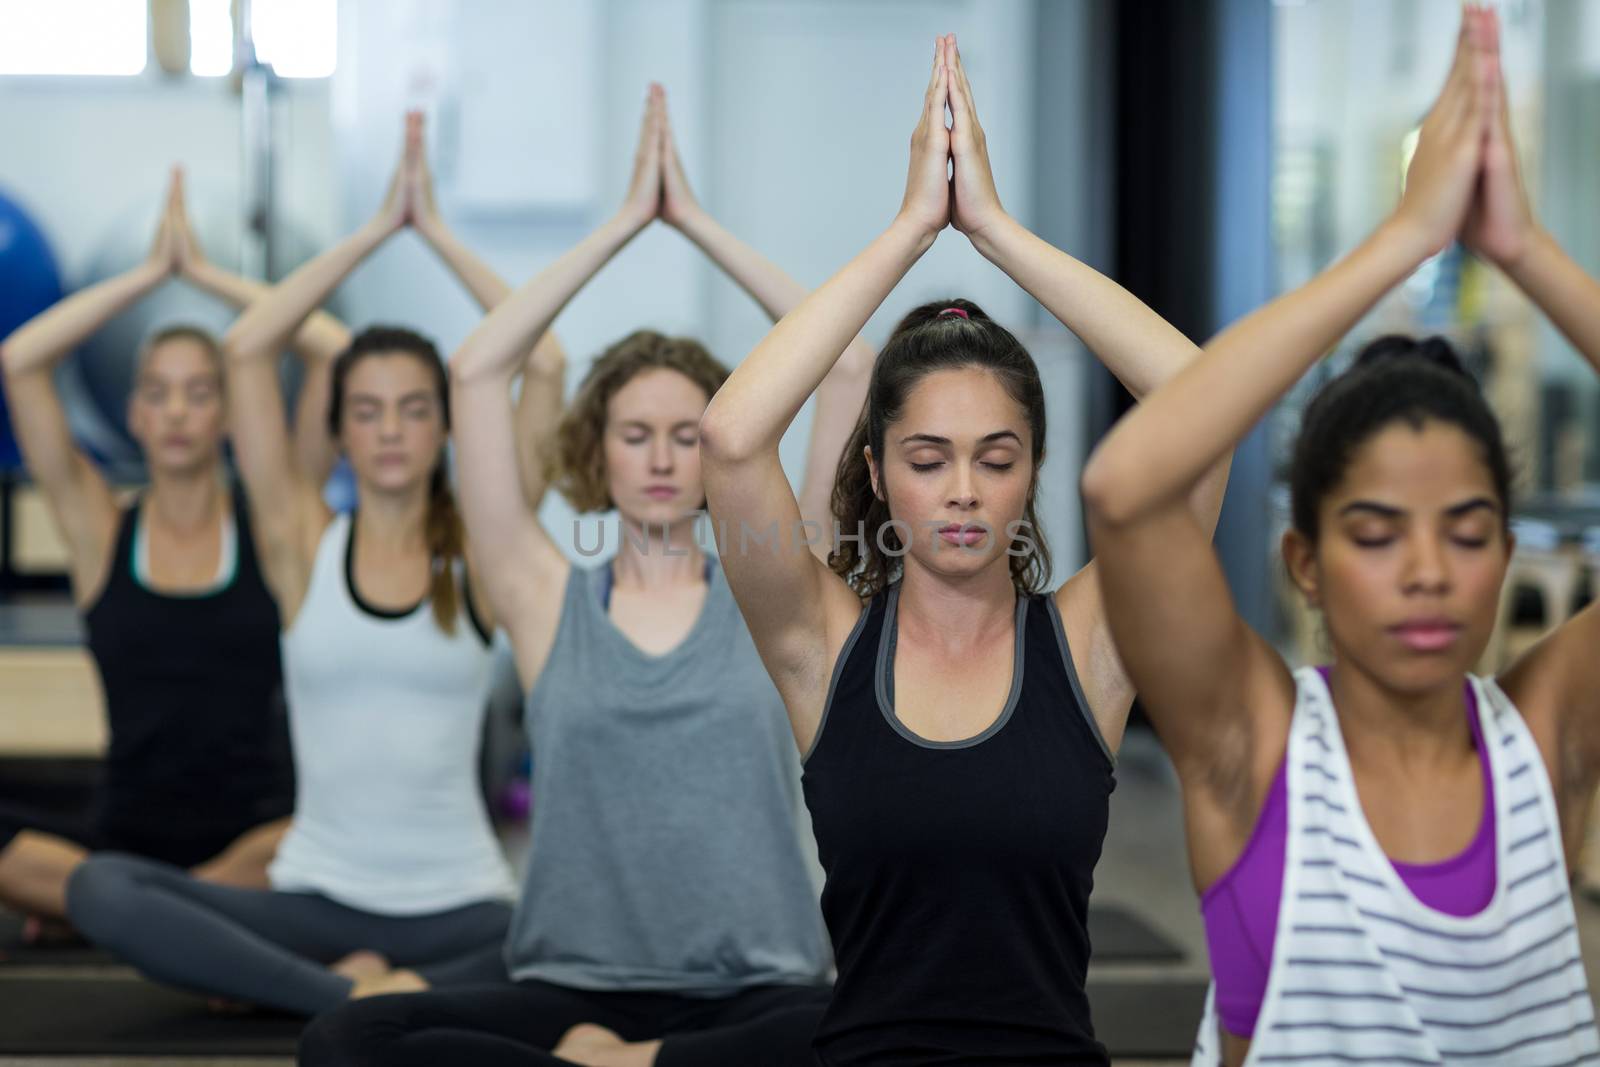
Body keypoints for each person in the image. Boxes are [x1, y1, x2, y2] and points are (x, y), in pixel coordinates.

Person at [298, 83, 870, 1067]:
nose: (659, 457)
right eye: (633, 433)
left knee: (868, 1030)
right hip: (569, 985)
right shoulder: (538, 592)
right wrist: (618, 226)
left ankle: (615, 1065)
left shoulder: (772, 586)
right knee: (347, 1038)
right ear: (595, 451)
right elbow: (480, 369)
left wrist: (691, 223)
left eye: (688, 436)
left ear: (718, 449)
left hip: (759, 990)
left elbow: (849, 360)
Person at [1078, 9, 1600, 1064]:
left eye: (1466, 532)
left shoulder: (1546, 743)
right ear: (1303, 561)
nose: (1425, 572)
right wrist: (1401, 243)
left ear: (1505, 551)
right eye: (1374, 533)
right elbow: (1125, 488)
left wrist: (1525, 251)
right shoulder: (1251, 746)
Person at [697, 36, 1229, 1066]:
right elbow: (729, 436)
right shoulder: (823, 644)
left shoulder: (1091, 644)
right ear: (880, 468)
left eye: (996, 456)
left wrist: (993, 231)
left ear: (1031, 471)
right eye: (927, 457)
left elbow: (1201, 395)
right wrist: (907, 231)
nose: (961, 489)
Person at [64, 113, 562, 1015]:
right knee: (102, 888)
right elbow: (252, 344)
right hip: (312, 898)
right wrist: (372, 233)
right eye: (366, 411)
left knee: (565, 924)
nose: (390, 431)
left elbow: (549, 358)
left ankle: (331, 993)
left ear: (447, 424)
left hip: (463, 905)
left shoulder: (483, 555)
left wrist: (434, 232)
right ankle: (356, 996)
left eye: (414, 408)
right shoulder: (300, 541)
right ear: (336, 431)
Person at [0, 169, 345, 930]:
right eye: (158, 392)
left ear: (230, 410)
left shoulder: (274, 523)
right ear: (133, 411)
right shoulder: (100, 527)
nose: (178, 410)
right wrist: (148, 278)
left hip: (255, 838)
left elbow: (332, 352)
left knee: (326, 837)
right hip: (124, 835)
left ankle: (125, 912)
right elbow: (21, 361)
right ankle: (175, 911)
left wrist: (212, 278)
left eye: (200, 390)